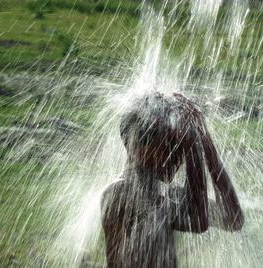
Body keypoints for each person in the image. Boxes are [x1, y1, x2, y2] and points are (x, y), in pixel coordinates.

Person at [101, 92, 244, 268]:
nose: (180, 157)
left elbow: (233, 218)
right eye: (172, 146)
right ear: (140, 148)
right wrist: (193, 142)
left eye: (180, 146)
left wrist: (207, 144)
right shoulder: (119, 193)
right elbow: (198, 220)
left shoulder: (167, 196)